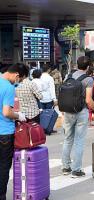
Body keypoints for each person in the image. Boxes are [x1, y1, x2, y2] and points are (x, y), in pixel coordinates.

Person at [62, 56, 94, 177]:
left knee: (67, 139)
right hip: (81, 112)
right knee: (79, 141)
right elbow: (88, 100)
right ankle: (76, 169)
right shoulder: (88, 80)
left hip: (67, 110)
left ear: (77, 64)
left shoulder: (68, 76)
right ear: (88, 67)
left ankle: (65, 167)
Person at [0, 64, 27, 200]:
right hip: (4, 134)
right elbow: (6, 112)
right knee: (3, 168)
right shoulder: (8, 87)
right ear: (17, 75)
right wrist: (18, 115)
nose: (18, 82)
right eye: (20, 80)